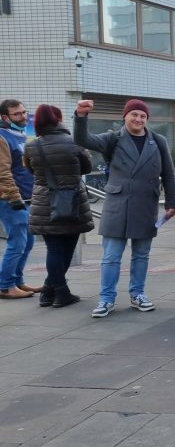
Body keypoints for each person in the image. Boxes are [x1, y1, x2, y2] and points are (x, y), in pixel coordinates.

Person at [73, 99, 175, 318]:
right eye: (134, 115)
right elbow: (82, 139)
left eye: (143, 116)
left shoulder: (158, 141)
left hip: (145, 204)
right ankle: (106, 298)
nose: (138, 119)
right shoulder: (112, 138)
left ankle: (138, 294)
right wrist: (81, 116)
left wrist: (172, 202)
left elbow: (168, 173)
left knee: (141, 255)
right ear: (125, 116)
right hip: (117, 203)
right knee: (111, 256)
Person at [23, 104, 94, 308]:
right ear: (59, 119)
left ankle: (48, 291)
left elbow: (31, 169)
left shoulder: (32, 145)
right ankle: (61, 293)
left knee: (53, 249)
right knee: (67, 248)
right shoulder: (74, 142)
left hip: (44, 203)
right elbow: (87, 167)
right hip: (72, 201)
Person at [0, 99, 40, 300]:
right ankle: (5, 286)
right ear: (5, 117)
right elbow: (3, 172)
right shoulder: (2, 137)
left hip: (26, 197)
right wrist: (14, 197)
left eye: (24, 112)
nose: (23, 116)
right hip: (10, 199)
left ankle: (17, 281)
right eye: (17, 114)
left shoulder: (22, 135)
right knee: (17, 242)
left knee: (28, 242)